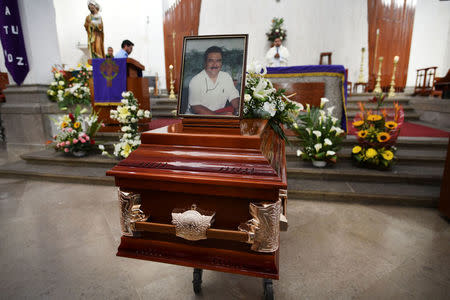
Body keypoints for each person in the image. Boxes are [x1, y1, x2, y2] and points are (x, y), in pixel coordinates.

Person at [188, 46, 240, 115]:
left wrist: (239, 110)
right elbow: (196, 108)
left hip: (219, 115)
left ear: (221, 63)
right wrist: (220, 117)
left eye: (218, 61)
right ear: (205, 62)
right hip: (199, 118)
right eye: (211, 60)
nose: (215, 64)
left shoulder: (226, 77)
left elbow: (234, 98)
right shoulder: (195, 81)